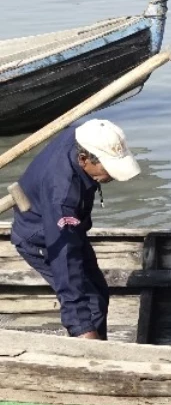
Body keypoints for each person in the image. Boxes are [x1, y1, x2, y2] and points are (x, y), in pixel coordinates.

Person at [11, 119, 140, 340]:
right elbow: (65, 261)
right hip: (40, 237)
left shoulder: (84, 135)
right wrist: (82, 326)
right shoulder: (63, 197)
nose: (111, 176)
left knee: (98, 292)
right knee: (89, 305)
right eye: (107, 169)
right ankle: (89, 352)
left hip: (68, 225)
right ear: (83, 160)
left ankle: (98, 344)